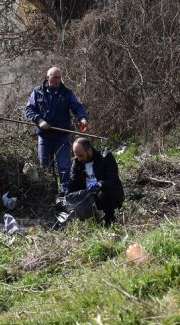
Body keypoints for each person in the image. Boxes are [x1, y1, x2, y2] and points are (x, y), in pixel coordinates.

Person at [24, 67, 88, 196]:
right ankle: (50, 194)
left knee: (64, 167)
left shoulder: (66, 93)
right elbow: (29, 109)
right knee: (45, 167)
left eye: (59, 77)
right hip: (44, 137)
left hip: (61, 136)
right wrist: (39, 120)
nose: (58, 80)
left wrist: (82, 118)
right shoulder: (37, 92)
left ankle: (66, 194)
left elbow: (77, 106)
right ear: (47, 78)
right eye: (55, 78)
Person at [67, 137, 124, 226]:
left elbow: (113, 180)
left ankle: (109, 222)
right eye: (76, 155)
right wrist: (68, 195)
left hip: (106, 192)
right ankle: (89, 222)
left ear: (89, 150)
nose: (79, 159)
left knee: (104, 194)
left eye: (81, 155)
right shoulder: (77, 162)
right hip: (88, 196)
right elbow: (73, 182)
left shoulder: (105, 157)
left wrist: (99, 184)